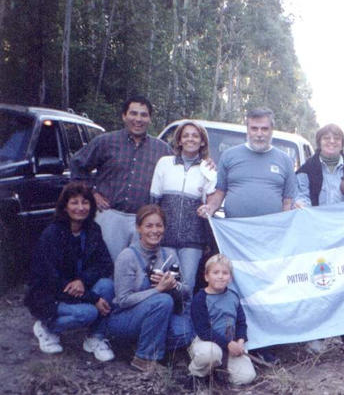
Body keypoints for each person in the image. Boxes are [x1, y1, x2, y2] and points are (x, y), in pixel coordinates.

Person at [199, 107, 297, 364]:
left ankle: (265, 343)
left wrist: (284, 232)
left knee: (265, 291)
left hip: (269, 240)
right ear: (247, 129)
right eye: (254, 128)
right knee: (237, 290)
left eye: (264, 128)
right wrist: (210, 207)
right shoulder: (230, 157)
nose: (259, 133)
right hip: (236, 239)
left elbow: (288, 201)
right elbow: (220, 192)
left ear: (271, 130)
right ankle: (231, 341)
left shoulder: (285, 161)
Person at [71, 96, 172, 261]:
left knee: (138, 269)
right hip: (110, 216)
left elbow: (181, 170)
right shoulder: (106, 142)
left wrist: (206, 162)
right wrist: (92, 193)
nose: (138, 119)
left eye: (144, 115)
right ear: (124, 116)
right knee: (105, 264)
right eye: (133, 113)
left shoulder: (162, 150)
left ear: (149, 119)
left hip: (142, 222)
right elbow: (77, 164)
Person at [25, 182, 115, 361]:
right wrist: (93, 298)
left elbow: (105, 264)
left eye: (85, 202)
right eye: (74, 202)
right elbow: (51, 277)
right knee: (88, 313)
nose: (80, 208)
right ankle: (46, 327)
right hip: (51, 294)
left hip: (77, 289)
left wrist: (82, 280)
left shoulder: (93, 230)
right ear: (65, 207)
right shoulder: (53, 233)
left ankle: (95, 338)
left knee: (107, 284)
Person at [294, 123, 344, 357]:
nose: (331, 142)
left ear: (342, 143)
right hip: (318, 236)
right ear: (319, 142)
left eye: (336, 139)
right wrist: (302, 206)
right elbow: (301, 195)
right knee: (320, 283)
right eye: (326, 139)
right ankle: (319, 335)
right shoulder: (306, 169)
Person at [106, 204, 194, 372]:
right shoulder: (127, 256)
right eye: (149, 226)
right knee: (163, 300)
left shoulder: (169, 254)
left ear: (164, 228)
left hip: (156, 316)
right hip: (124, 318)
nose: (155, 230)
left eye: (159, 225)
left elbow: (187, 291)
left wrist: (174, 285)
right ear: (139, 228)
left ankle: (138, 345)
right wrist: (158, 289)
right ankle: (144, 358)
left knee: (184, 333)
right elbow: (123, 300)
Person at [150, 121, 217, 295]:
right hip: (165, 238)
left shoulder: (208, 169)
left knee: (186, 286)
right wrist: (153, 233)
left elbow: (211, 206)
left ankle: (184, 320)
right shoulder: (165, 163)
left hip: (193, 241)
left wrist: (207, 209)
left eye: (195, 136)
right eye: (186, 135)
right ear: (179, 140)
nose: (190, 139)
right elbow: (153, 203)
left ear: (202, 142)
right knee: (163, 284)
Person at [189, 254, 256, 387]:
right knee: (210, 354)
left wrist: (240, 342)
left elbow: (241, 323)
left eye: (225, 273)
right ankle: (196, 375)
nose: (220, 276)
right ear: (206, 276)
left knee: (247, 377)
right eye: (215, 272)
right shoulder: (200, 298)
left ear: (230, 278)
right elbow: (203, 330)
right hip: (207, 342)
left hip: (230, 344)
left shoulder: (233, 296)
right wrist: (228, 344)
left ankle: (218, 374)